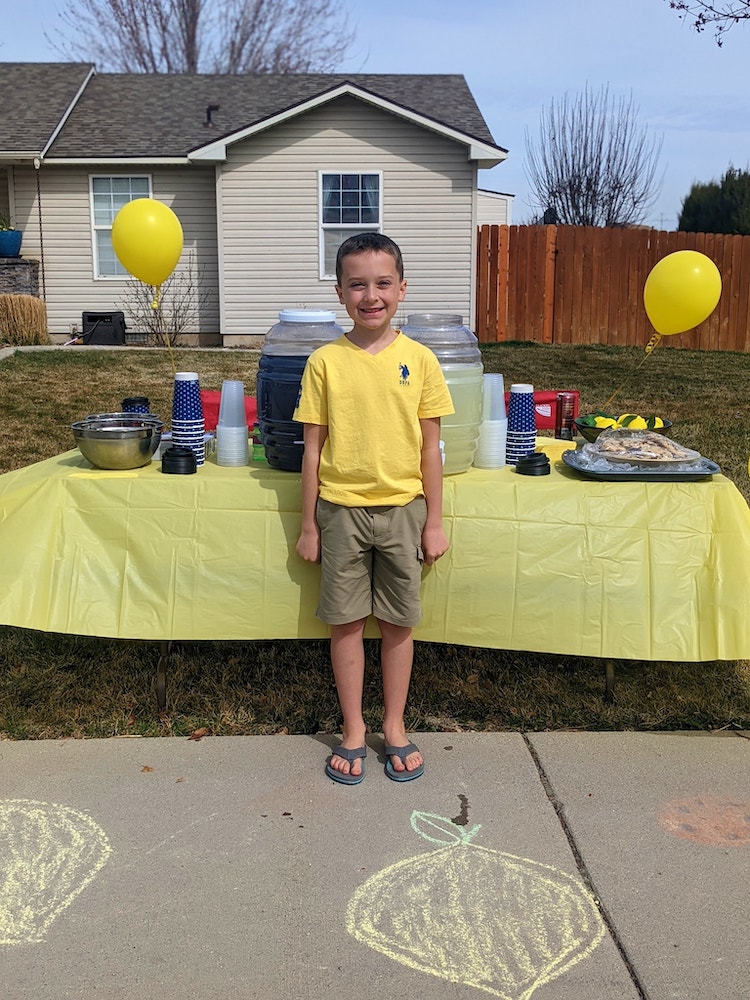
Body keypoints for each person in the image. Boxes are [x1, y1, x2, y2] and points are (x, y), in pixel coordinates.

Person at [294, 232, 454, 785]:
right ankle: (354, 729)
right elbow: (312, 448)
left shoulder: (422, 360)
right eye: (357, 284)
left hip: (405, 510)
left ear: (402, 289)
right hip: (340, 511)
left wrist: (434, 519)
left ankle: (395, 725)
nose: (371, 295)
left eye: (383, 283)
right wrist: (309, 524)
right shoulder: (324, 362)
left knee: (398, 622)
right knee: (345, 622)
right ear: (340, 292)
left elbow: (430, 446)